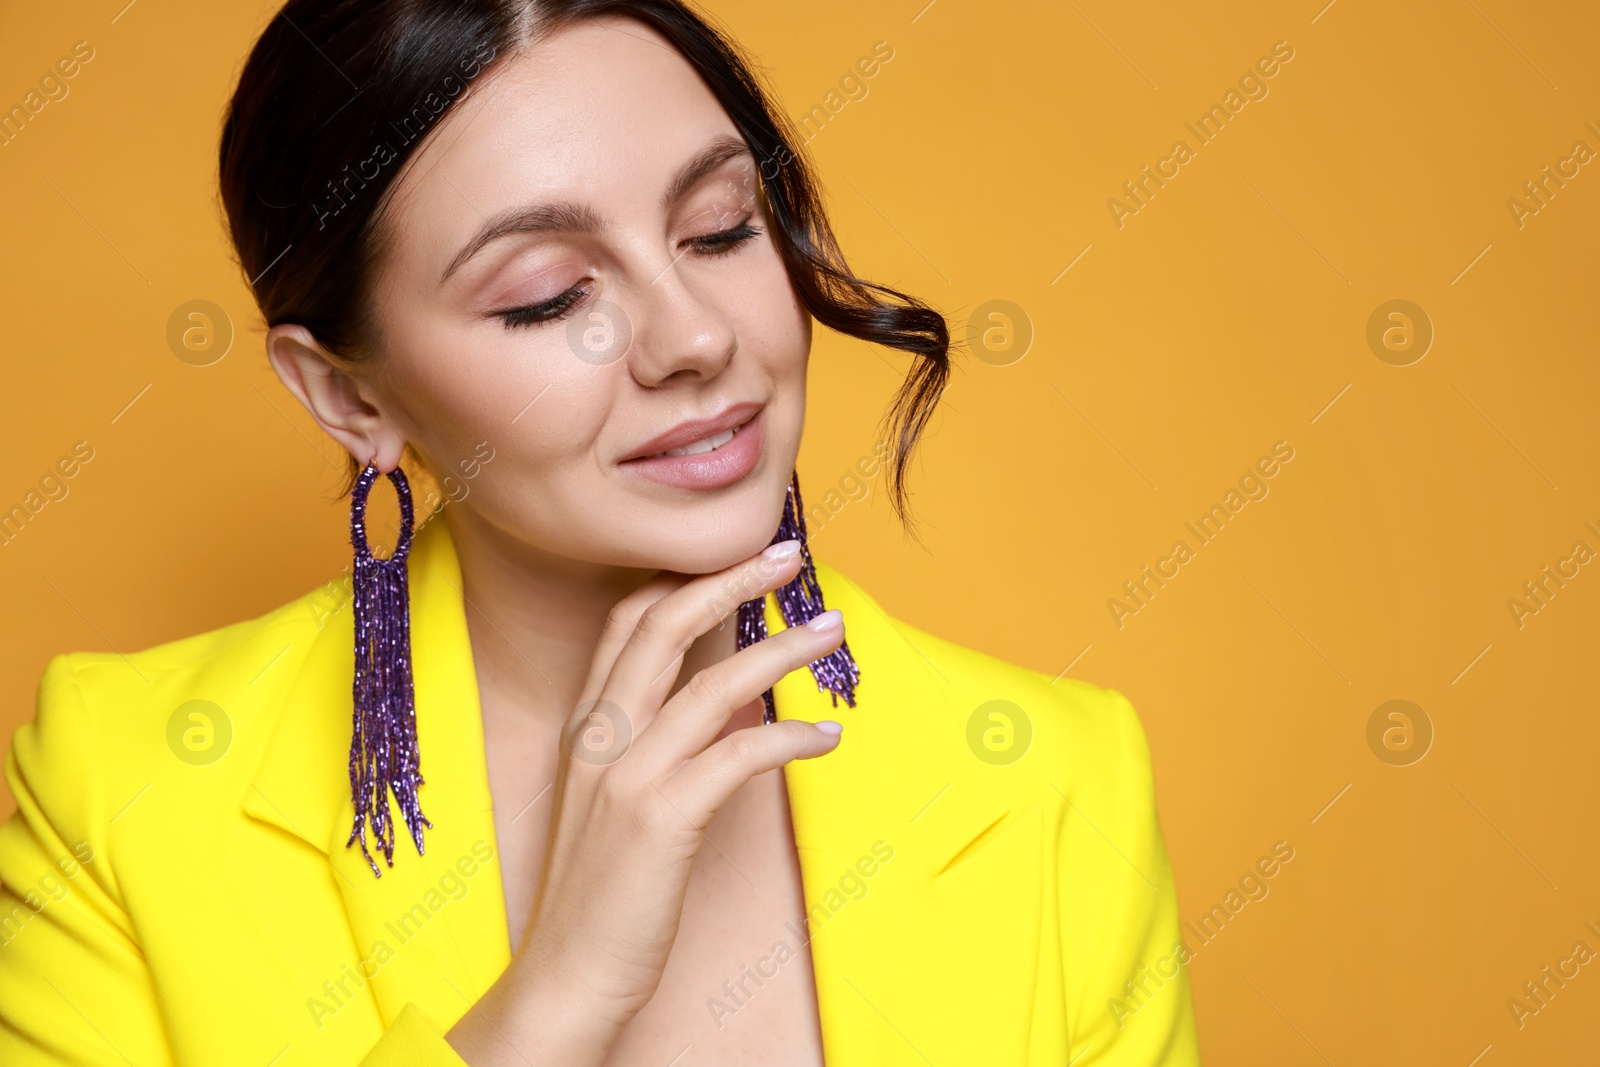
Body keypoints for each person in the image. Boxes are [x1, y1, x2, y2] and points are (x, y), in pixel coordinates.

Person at [0, 1, 1201, 1063]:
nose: (693, 337)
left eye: (722, 228)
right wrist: (555, 999)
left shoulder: (1052, 779)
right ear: (349, 396)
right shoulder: (122, 793)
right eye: (549, 296)